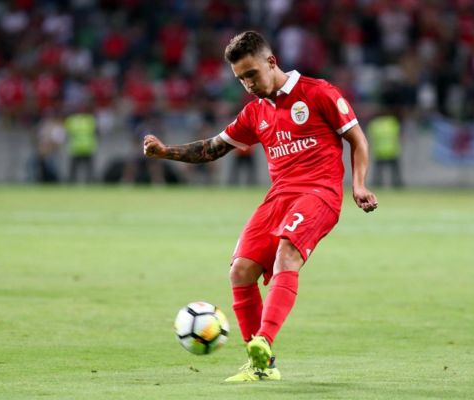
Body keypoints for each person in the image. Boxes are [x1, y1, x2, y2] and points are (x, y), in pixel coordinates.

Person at [143, 31, 378, 382]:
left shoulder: (318, 92)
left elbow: (357, 139)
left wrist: (358, 185)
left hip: (319, 194)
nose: (248, 84)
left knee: (287, 254)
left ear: (271, 62)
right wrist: (166, 152)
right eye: (241, 79)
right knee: (240, 270)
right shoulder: (255, 113)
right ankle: (261, 367)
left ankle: (263, 342)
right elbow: (212, 148)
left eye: (252, 74)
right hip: (278, 198)